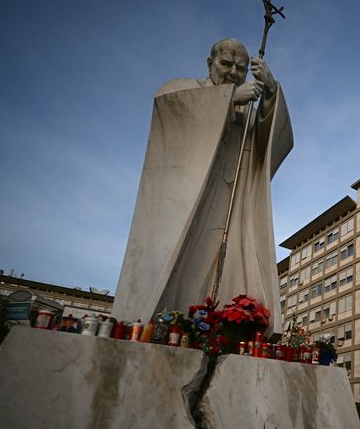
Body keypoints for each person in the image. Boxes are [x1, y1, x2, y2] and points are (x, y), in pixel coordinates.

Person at [113, 38, 293, 337]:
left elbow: (275, 142)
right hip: (192, 201)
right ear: (210, 63)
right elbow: (169, 111)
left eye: (241, 68)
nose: (234, 72)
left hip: (233, 206)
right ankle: (167, 323)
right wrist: (229, 98)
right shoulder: (183, 91)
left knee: (234, 264)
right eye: (226, 64)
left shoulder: (249, 109)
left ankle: (230, 325)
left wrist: (272, 93)